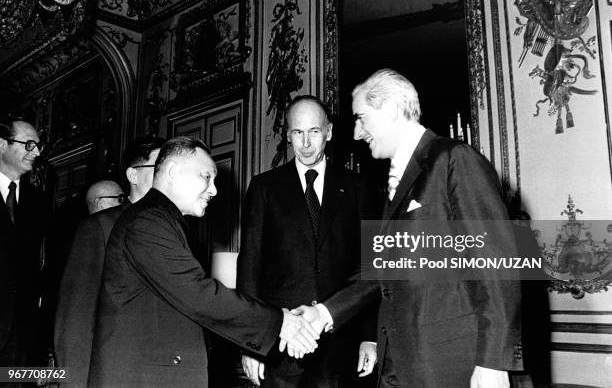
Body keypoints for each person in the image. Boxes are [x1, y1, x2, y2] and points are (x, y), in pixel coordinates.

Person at [293, 69, 523, 388]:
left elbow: (497, 264)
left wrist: (493, 362)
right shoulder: (395, 183)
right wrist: (324, 314)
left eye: (362, 118)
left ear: (389, 112)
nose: (357, 133)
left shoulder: (453, 159)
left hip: (453, 364)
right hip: (401, 361)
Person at [88, 137, 319, 388]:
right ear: (174, 172)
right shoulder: (148, 222)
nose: (214, 190)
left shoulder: (161, 220)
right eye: (206, 177)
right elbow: (198, 294)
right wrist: (280, 322)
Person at [237, 95, 377, 388]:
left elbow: (369, 267)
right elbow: (250, 267)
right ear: (288, 135)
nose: (306, 143)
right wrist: (252, 343)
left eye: (314, 131)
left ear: (328, 131)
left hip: (340, 343)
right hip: (280, 345)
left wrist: (369, 336)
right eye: (298, 133)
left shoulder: (358, 187)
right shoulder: (264, 188)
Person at [54, 136, 165, 387]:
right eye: (158, 168)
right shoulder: (100, 227)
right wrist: (74, 381)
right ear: (133, 176)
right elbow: (76, 317)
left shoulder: (178, 232)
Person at [0, 116, 49, 370]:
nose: (37, 152)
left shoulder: (38, 201)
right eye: (29, 144)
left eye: (38, 145)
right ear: (2, 145)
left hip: (23, 335)